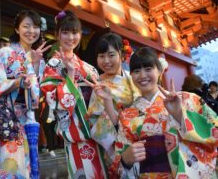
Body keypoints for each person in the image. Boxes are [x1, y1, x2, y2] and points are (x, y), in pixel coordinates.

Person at [88, 47, 218, 178]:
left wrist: (180, 115)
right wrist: (126, 160)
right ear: (131, 75)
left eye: (148, 69)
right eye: (137, 71)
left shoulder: (187, 99)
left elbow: (214, 130)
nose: (143, 75)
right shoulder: (127, 115)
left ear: (160, 70)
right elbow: (117, 165)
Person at [0, 9, 51, 179]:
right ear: (17, 29)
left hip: (25, 121)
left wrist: (34, 66)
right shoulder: (5, 53)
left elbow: (37, 94)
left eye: (35, 27)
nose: (31, 31)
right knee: (5, 167)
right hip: (4, 120)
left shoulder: (38, 60)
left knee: (23, 169)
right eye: (26, 26)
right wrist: (17, 82)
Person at [40, 10, 107, 178]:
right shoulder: (53, 65)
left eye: (75, 32)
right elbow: (55, 101)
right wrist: (69, 74)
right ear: (57, 35)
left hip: (99, 135)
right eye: (65, 32)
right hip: (77, 135)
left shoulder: (88, 67)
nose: (71, 37)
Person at [86, 33, 140, 177]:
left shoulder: (133, 76)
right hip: (114, 144)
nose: (106, 61)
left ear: (121, 55)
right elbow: (93, 120)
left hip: (140, 136)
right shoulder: (98, 84)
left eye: (111, 55)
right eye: (101, 56)